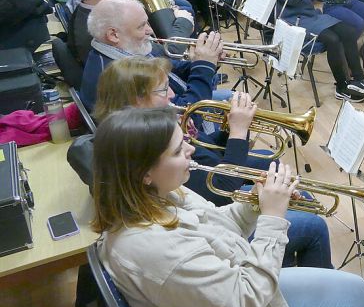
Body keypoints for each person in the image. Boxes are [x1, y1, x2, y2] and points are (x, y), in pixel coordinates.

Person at [91, 107, 364, 307]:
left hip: (236, 298)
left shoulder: (160, 194)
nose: (190, 150)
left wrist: (256, 204)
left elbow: (219, 224)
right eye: (178, 150)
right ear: (145, 172)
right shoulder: (152, 250)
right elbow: (245, 298)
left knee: (355, 289)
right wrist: (272, 219)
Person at [83, 56, 333, 269]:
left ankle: (289, 265)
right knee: (313, 224)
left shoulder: (151, 132)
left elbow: (205, 152)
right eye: (162, 90)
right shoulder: (148, 141)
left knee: (277, 174)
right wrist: (238, 132)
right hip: (219, 214)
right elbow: (222, 188)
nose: (173, 94)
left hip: (214, 217)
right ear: (136, 100)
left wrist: (227, 130)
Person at [80, 0, 221, 111]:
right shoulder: (121, 74)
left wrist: (203, 60)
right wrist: (204, 66)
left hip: (188, 99)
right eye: (142, 26)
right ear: (113, 35)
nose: (150, 30)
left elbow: (171, 69)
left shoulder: (124, 50)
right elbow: (185, 114)